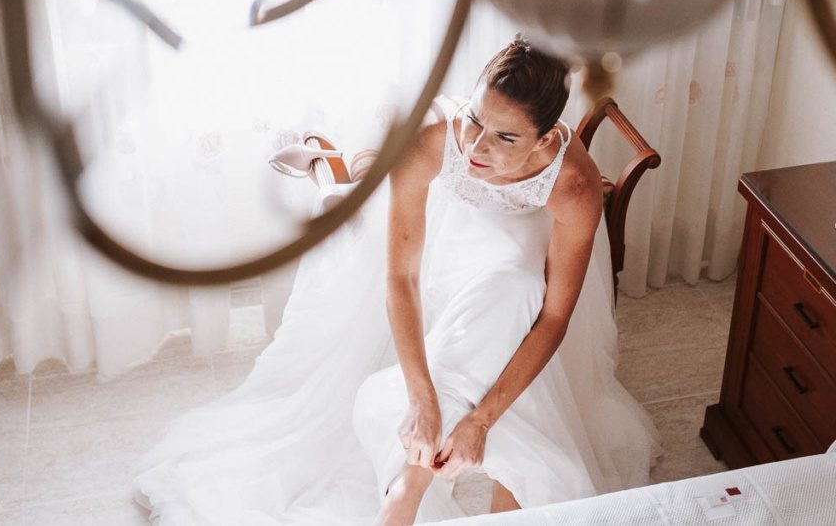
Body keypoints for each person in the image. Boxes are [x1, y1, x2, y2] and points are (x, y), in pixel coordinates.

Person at [132, 37, 661, 525]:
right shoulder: (438, 141)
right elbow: (402, 276)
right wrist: (422, 400)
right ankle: (331, 163)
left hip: (521, 236)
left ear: (545, 138)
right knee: (350, 223)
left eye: (504, 137)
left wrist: (480, 421)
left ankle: (408, 486)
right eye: (475, 119)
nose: (477, 145)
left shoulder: (571, 184)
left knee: (518, 287)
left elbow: (554, 316)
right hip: (444, 220)